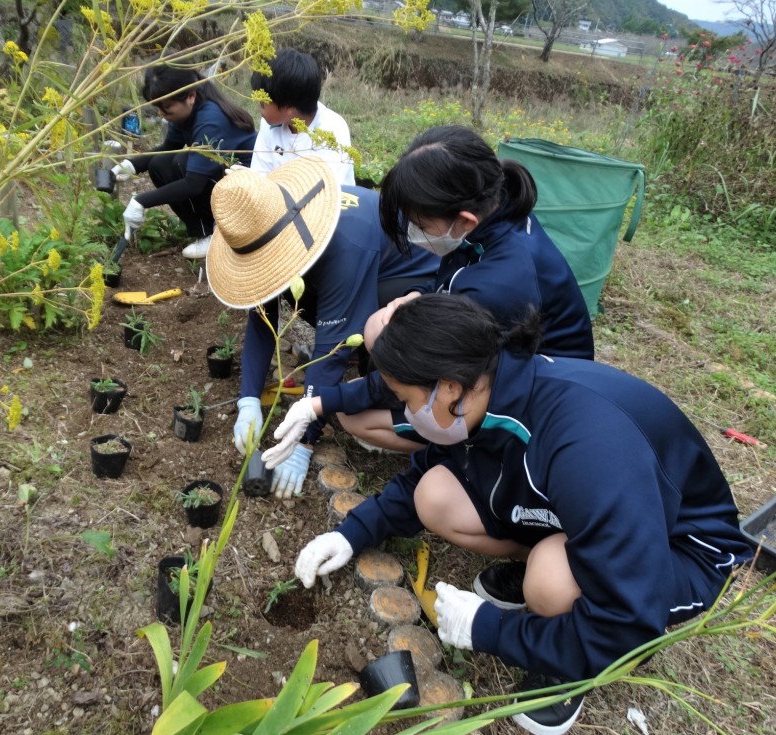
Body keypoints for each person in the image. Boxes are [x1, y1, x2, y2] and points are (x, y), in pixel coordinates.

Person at [294, 293, 751, 735]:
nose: (406, 413)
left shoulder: (586, 447)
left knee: (551, 582)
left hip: (681, 551)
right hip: (598, 518)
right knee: (434, 495)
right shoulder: (486, 388)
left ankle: (570, 661)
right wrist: (352, 535)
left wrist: (487, 629)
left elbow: (627, 619)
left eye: (405, 398)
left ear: (449, 388)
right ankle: (549, 574)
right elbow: (424, 472)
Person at [261, 125, 593, 462]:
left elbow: (425, 363)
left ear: (463, 220)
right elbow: (449, 283)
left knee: (355, 417)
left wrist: (321, 403)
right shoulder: (491, 212)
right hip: (501, 354)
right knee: (381, 325)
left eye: (419, 222)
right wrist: (418, 294)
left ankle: (467, 454)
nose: (412, 231)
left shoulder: (499, 284)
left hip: (537, 401)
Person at [205, 158, 438, 499]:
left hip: (416, 286)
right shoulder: (274, 221)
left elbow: (333, 350)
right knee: (311, 299)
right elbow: (263, 316)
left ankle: (403, 407)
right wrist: (248, 399)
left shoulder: (344, 247)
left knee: (377, 337)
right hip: (360, 269)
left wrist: (303, 441)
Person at [114, 67, 257, 260]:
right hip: (220, 180)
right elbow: (169, 147)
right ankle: (204, 232)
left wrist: (141, 202)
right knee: (159, 165)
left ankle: (219, 233)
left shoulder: (211, 120)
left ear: (190, 96)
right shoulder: (186, 112)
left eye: (166, 108)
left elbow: (194, 183)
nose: (162, 114)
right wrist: (131, 165)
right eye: (158, 108)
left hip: (246, 194)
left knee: (182, 162)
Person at [249, 48, 355, 186]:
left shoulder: (333, 131)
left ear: (289, 109)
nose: (259, 106)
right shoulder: (269, 126)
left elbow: (326, 192)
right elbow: (259, 179)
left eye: (263, 102)